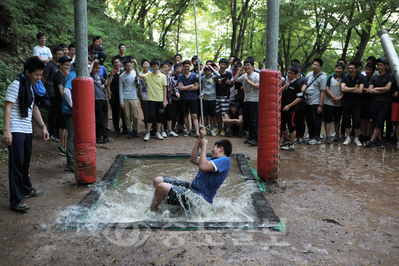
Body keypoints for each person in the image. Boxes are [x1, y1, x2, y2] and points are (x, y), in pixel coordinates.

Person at [3, 57, 49, 211]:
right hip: (16, 130)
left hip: (27, 130)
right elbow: (8, 108)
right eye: (36, 74)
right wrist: (7, 131)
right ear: (27, 72)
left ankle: (26, 189)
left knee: (25, 163)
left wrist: (43, 126)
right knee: (16, 165)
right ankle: (16, 200)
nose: (39, 77)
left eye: (40, 74)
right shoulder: (16, 85)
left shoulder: (30, 86)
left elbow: (34, 108)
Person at [150, 127, 232, 210]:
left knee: (161, 187)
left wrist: (204, 147)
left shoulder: (225, 161)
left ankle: (151, 211)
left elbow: (203, 167)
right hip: (192, 189)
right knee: (157, 180)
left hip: (201, 199)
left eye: (213, 147)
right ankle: (163, 204)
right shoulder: (210, 160)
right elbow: (193, 159)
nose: (212, 150)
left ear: (221, 149)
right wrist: (199, 139)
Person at [134, 58, 168, 141]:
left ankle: (158, 132)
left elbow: (164, 89)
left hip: (160, 99)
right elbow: (138, 75)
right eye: (153, 66)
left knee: (160, 117)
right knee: (151, 116)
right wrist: (135, 64)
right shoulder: (148, 75)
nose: (155, 68)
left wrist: (164, 100)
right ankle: (148, 132)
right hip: (151, 99)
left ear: (158, 66)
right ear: (151, 67)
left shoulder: (163, 76)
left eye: (156, 66)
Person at [364, 58, 394, 148]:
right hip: (375, 102)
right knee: (376, 121)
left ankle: (371, 140)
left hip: (385, 103)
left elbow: (387, 88)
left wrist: (375, 89)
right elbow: (370, 90)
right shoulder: (374, 77)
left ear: (385, 66)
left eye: (381, 65)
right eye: (378, 65)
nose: (379, 67)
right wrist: (381, 89)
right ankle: (380, 140)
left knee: (380, 121)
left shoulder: (389, 76)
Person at [234, 57, 259, 146]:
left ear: (252, 66)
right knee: (248, 120)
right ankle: (251, 137)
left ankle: (256, 138)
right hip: (246, 100)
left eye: (248, 65)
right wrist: (240, 70)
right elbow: (235, 80)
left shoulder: (256, 75)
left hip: (255, 100)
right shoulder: (244, 76)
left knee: (254, 120)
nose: (246, 67)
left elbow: (259, 87)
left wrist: (248, 81)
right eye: (245, 65)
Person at [42, 46, 64, 142]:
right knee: (53, 113)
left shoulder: (59, 65)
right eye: (58, 54)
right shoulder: (50, 65)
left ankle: (58, 133)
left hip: (57, 91)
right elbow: (44, 78)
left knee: (58, 113)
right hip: (51, 91)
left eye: (61, 54)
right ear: (53, 54)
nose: (60, 56)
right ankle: (52, 133)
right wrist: (42, 91)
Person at [341, 61, 365, 146]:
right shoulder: (345, 77)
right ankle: (347, 137)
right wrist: (354, 89)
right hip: (346, 102)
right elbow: (343, 89)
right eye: (349, 68)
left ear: (356, 69)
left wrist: (348, 88)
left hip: (356, 102)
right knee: (346, 119)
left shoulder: (361, 78)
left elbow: (360, 90)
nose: (350, 70)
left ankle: (356, 138)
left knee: (356, 120)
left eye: (352, 68)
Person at [280, 65, 305, 150]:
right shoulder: (284, 82)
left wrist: (289, 105)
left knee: (292, 126)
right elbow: (278, 92)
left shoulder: (297, 84)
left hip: (292, 109)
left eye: (291, 73)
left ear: (296, 74)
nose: (289, 75)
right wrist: (285, 85)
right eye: (288, 73)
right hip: (282, 108)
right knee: (282, 125)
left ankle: (291, 144)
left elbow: (299, 98)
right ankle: (286, 140)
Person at [304, 58, 327, 145]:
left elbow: (323, 92)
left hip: (316, 102)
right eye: (314, 64)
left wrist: (320, 105)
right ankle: (310, 136)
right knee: (309, 120)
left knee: (316, 120)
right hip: (308, 101)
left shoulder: (322, 77)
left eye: (317, 65)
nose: (315, 66)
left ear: (320, 67)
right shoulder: (309, 74)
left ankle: (316, 137)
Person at [53, 56, 72, 156]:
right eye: (65, 65)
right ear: (59, 64)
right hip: (60, 103)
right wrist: (67, 101)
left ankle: (64, 146)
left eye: (68, 66)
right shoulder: (59, 75)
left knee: (65, 126)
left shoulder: (64, 74)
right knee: (62, 126)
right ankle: (62, 146)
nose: (67, 67)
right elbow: (61, 90)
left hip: (62, 103)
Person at [92, 63, 113, 144]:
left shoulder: (98, 76)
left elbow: (107, 83)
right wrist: (93, 62)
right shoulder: (90, 76)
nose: (97, 69)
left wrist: (111, 75)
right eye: (95, 68)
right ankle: (102, 136)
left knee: (102, 118)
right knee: (99, 118)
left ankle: (101, 136)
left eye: (98, 68)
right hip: (96, 100)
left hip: (103, 99)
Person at [178, 60, 200, 137]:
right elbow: (180, 88)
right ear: (182, 67)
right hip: (183, 98)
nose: (187, 68)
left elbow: (196, 87)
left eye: (188, 66)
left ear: (190, 66)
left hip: (193, 98)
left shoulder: (194, 75)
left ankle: (197, 132)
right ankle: (188, 130)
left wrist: (185, 87)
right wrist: (191, 86)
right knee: (185, 115)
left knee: (194, 115)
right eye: (185, 66)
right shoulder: (180, 76)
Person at [105, 57, 127, 136]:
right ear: (113, 64)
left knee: (124, 113)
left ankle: (125, 128)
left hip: (123, 95)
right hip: (114, 95)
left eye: (118, 62)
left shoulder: (124, 72)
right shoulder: (111, 74)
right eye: (115, 63)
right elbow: (108, 84)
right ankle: (117, 129)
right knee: (115, 113)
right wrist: (111, 75)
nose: (116, 64)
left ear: (120, 63)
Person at [324, 62, 345, 144]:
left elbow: (345, 90)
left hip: (339, 104)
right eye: (337, 68)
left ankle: (336, 134)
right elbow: (326, 88)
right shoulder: (330, 78)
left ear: (343, 70)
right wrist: (333, 97)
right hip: (329, 102)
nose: (338, 70)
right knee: (328, 120)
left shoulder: (344, 79)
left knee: (337, 120)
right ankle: (328, 136)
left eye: (340, 69)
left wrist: (339, 98)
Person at [119, 60, 140, 139]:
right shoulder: (122, 76)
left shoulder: (135, 73)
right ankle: (129, 130)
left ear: (132, 65)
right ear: (124, 66)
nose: (128, 67)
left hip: (133, 97)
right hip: (125, 97)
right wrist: (121, 102)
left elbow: (138, 84)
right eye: (127, 66)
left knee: (135, 116)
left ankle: (135, 129)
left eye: (130, 65)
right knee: (127, 116)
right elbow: (120, 89)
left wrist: (137, 79)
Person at [198, 65, 220, 136]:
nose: (207, 72)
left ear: (211, 72)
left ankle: (211, 129)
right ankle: (203, 129)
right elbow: (196, 77)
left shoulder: (213, 78)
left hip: (212, 98)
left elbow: (218, 75)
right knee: (204, 115)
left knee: (212, 115)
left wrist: (212, 68)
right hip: (204, 98)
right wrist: (202, 69)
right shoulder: (203, 78)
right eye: (206, 71)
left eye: (208, 71)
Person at [160, 61, 179, 137]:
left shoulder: (170, 77)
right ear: (161, 68)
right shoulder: (159, 76)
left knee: (169, 114)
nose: (165, 69)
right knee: (161, 115)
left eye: (167, 67)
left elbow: (175, 87)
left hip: (169, 99)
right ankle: (162, 130)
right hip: (160, 99)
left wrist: (177, 92)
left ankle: (170, 130)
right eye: (164, 67)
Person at [216, 58, 234, 136]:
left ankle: (224, 129)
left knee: (225, 114)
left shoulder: (229, 74)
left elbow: (232, 84)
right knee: (217, 113)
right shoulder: (216, 74)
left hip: (225, 96)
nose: (222, 65)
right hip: (216, 96)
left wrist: (228, 83)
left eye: (224, 64)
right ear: (219, 64)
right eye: (221, 64)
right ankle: (219, 128)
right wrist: (217, 83)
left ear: (226, 66)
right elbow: (211, 83)